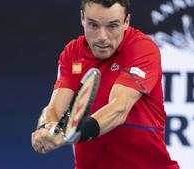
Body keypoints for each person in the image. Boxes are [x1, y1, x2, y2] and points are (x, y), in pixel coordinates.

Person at [31, 0, 180, 168]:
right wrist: (46, 130)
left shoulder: (142, 48)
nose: (102, 37)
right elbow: (54, 109)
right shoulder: (72, 53)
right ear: (82, 18)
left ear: (126, 22)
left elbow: (119, 108)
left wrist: (76, 133)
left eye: (112, 26)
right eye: (93, 25)